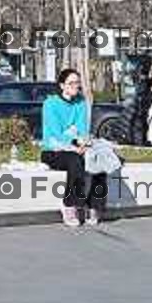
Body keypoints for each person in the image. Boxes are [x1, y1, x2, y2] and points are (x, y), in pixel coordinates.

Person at [41, 69, 107, 227]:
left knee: (99, 159)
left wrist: (81, 141)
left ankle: (94, 205)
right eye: (71, 83)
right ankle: (69, 205)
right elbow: (56, 134)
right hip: (53, 150)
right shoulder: (50, 104)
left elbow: (82, 131)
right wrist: (73, 140)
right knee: (75, 160)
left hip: (77, 145)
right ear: (62, 85)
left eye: (78, 83)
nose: (76, 86)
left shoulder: (81, 103)